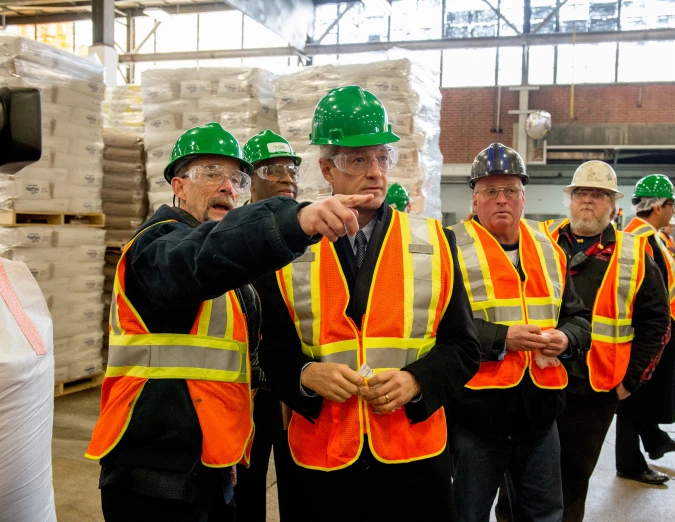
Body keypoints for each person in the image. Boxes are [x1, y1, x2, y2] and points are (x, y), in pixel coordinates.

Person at [85, 122, 373, 521]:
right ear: (178, 185)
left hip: (209, 464)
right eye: (210, 173)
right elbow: (198, 258)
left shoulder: (233, 279)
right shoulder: (155, 248)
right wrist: (296, 221)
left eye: (236, 178)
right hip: (153, 473)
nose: (227, 186)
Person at [259, 86, 481, 522]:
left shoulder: (435, 243)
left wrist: (418, 381)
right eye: (358, 160)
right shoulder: (288, 247)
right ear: (326, 168)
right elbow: (268, 351)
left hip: (412, 457)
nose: (375, 172)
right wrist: (306, 374)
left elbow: (464, 348)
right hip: (322, 460)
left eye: (382, 157)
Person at [448, 143, 592, 522]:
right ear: (475, 199)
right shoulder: (450, 247)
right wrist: (502, 339)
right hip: (477, 416)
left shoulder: (549, 249)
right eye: (491, 191)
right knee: (468, 513)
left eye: (510, 190)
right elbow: (435, 329)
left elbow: (578, 318)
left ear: (523, 197)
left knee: (545, 513)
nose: (502, 200)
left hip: (540, 415)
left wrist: (568, 340)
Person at [546, 161, 671, 518]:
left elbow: (657, 323)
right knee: (522, 471)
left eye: (598, 194)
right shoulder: (542, 239)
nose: (588, 201)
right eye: (582, 193)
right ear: (570, 200)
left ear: (613, 206)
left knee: (572, 477)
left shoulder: (633, 254)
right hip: (536, 379)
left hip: (593, 390)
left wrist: (632, 381)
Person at [233, 129, 301, 521]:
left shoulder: (310, 234)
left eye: (291, 168)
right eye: (274, 169)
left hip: (296, 387)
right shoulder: (232, 235)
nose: (287, 177)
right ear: (250, 180)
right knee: (247, 492)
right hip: (250, 391)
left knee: (299, 486)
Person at [618, 173, 675, 485]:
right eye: (671, 204)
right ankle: (630, 463)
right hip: (644, 336)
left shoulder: (646, 237)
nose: (674, 210)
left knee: (642, 397)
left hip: (652, 334)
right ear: (658, 206)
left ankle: (654, 440)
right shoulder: (642, 240)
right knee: (633, 399)